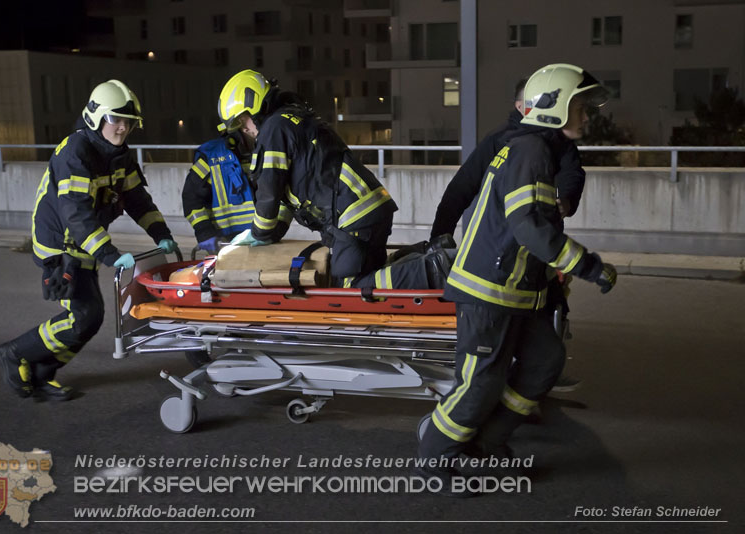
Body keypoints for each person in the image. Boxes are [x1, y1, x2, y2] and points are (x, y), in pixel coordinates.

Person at [417, 64, 618, 493]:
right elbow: (526, 225)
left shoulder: (537, 149)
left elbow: (547, 207)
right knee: (480, 382)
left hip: (515, 291)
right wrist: (588, 265)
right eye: (580, 107)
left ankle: (488, 442)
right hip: (488, 292)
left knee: (545, 360)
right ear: (553, 107)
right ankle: (437, 454)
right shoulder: (529, 151)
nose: (587, 116)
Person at [0, 80, 178, 401]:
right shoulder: (76, 152)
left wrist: (163, 235)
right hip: (59, 247)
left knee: (89, 319)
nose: (122, 128)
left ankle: (41, 372)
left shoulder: (119, 154)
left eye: (128, 122)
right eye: (115, 119)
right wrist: (108, 253)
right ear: (96, 118)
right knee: (84, 317)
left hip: (83, 244)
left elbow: (137, 200)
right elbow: (75, 214)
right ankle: (15, 353)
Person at [217, 69, 448, 289]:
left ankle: (433, 268)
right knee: (371, 271)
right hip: (368, 209)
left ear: (256, 105)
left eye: (243, 120)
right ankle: (431, 251)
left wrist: (257, 233)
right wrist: (272, 231)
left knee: (352, 289)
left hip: (354, 215)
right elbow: (288, 197)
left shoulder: (274, 129)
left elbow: (269, 193)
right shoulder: (292, 120)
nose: (244, 129)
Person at [431, 76, 586, 393]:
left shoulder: (557, 143)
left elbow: (572, 172)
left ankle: (535, 374)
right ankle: (507, 383)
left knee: (546, 301)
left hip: (535, 248)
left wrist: (566, 198)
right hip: (501, 247)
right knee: (506, 316)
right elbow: (462, 187)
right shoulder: (506, 140)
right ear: (521, 106)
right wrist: (440, 236)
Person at [182, 127, 255, 254]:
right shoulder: (211, 156)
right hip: (224, 243)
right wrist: (204, 231)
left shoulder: (266, 151)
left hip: (261, 238)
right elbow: (191, 197)